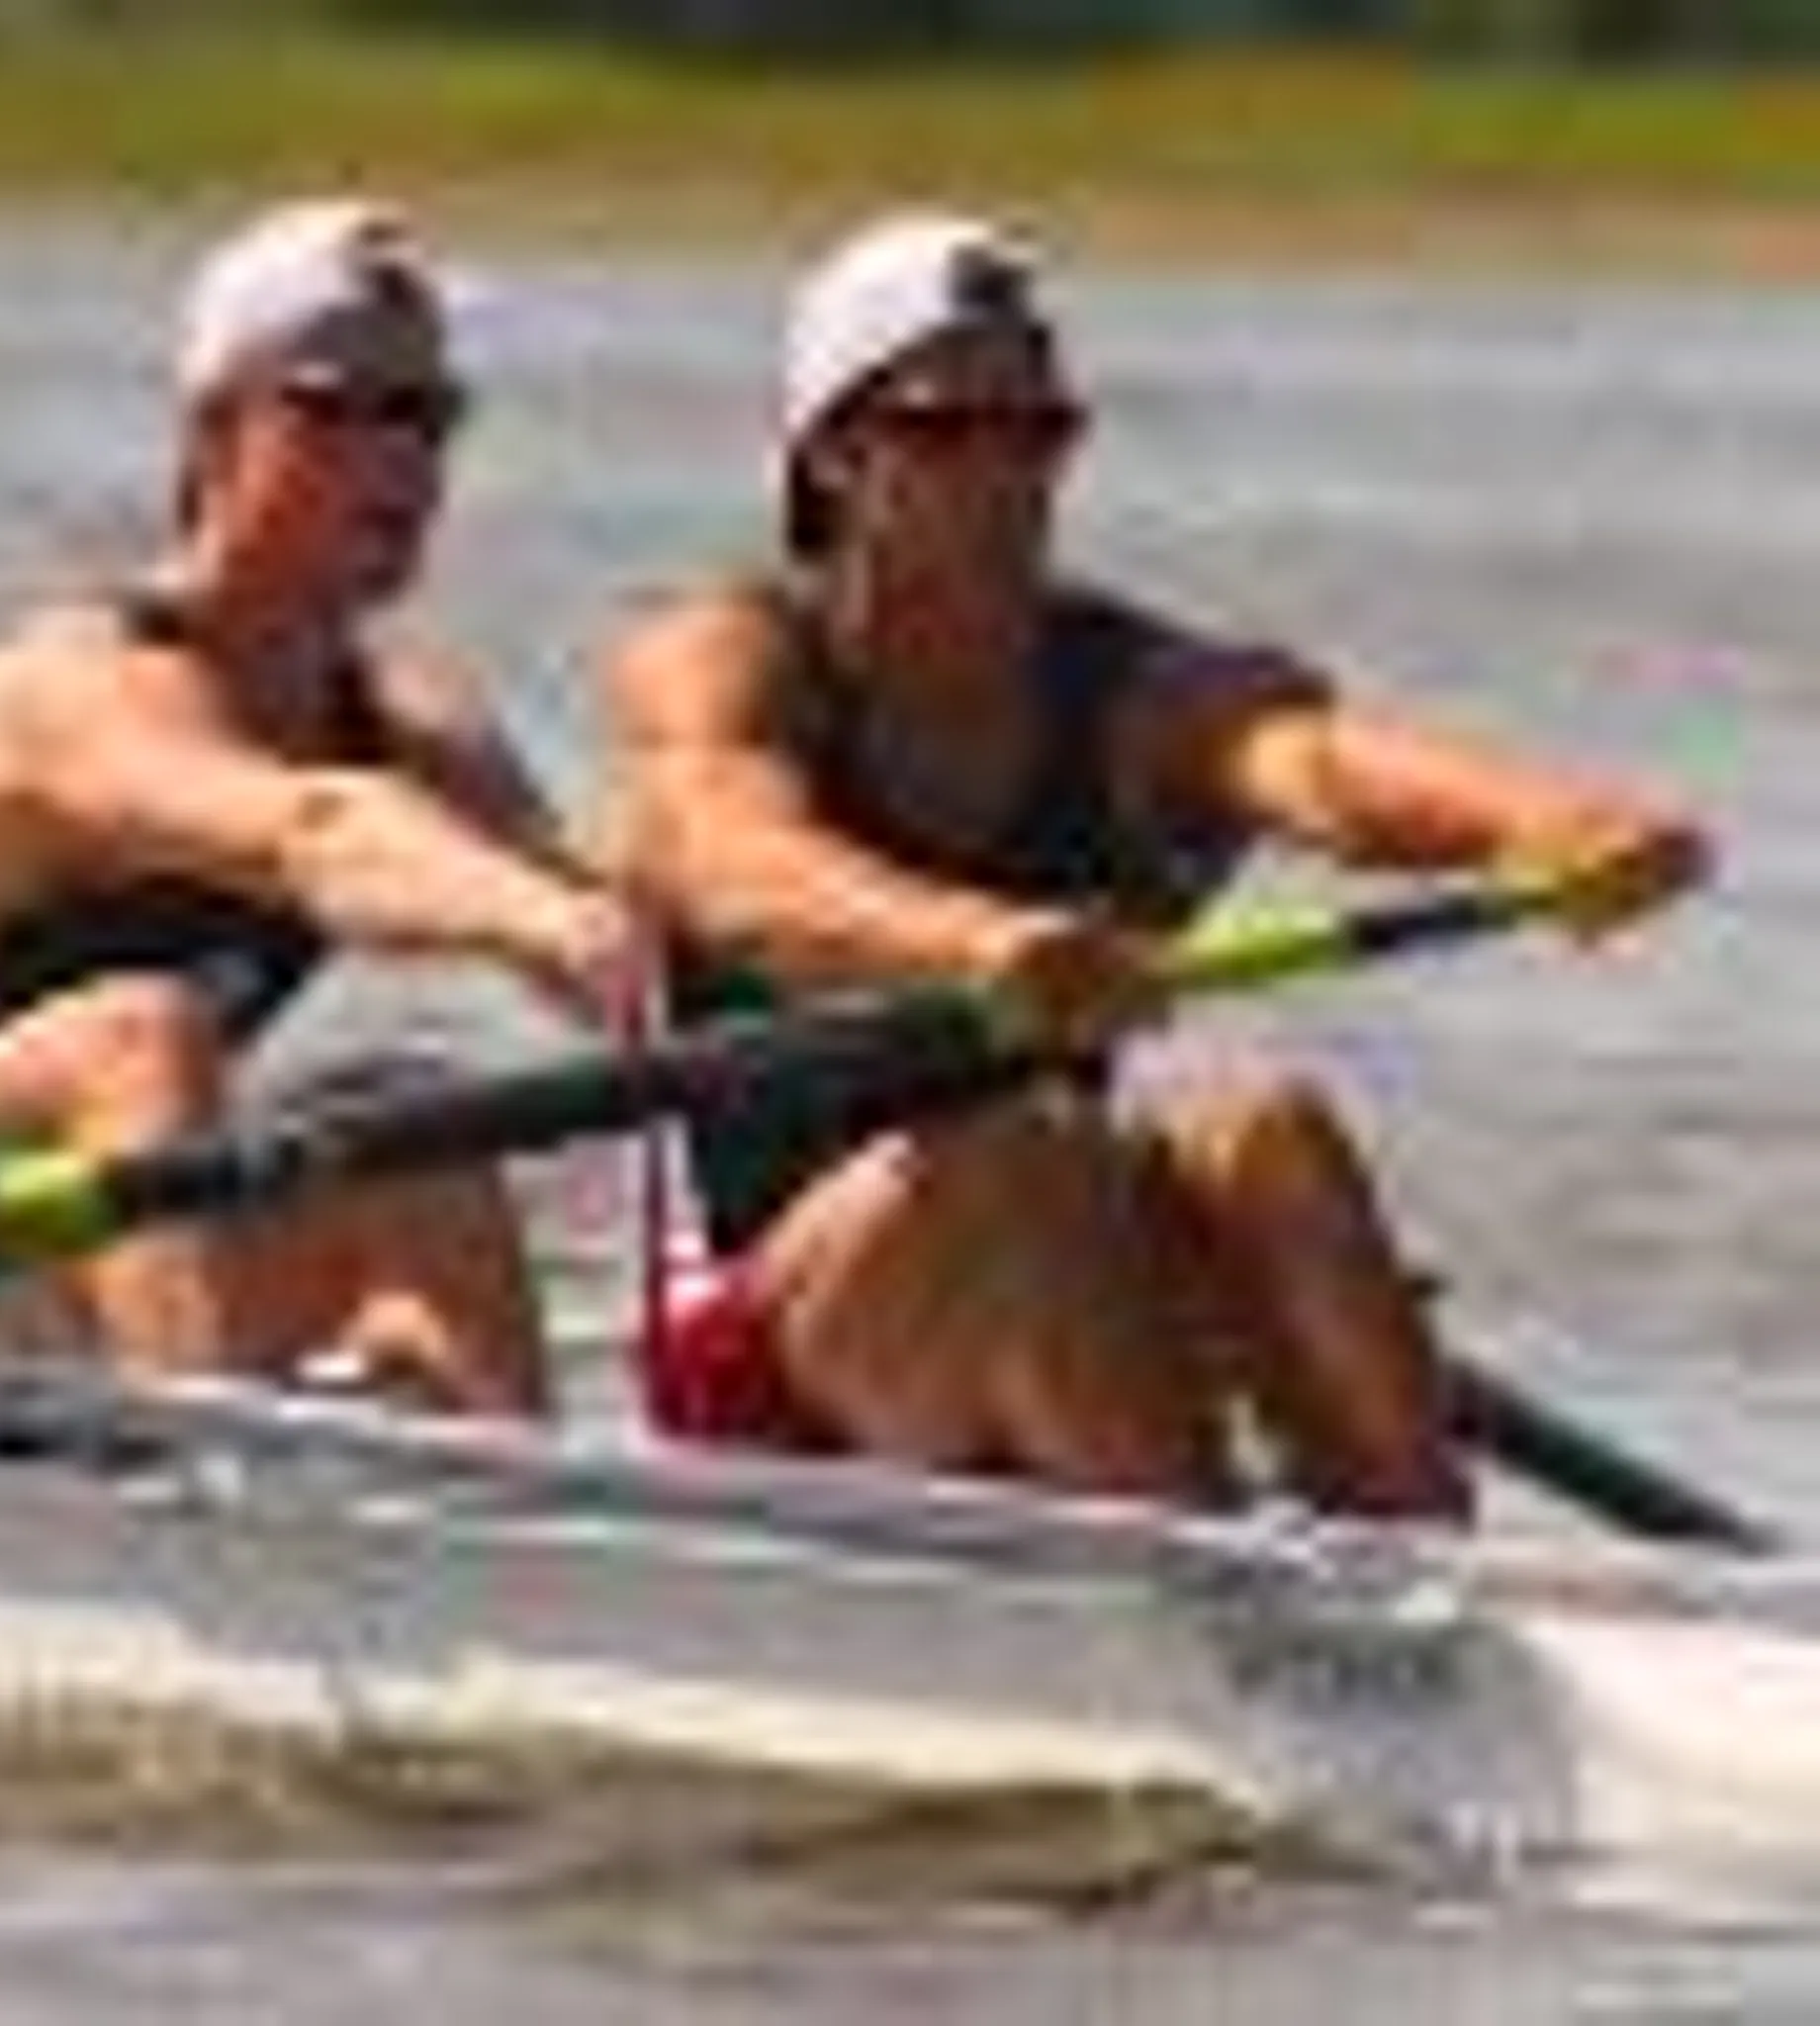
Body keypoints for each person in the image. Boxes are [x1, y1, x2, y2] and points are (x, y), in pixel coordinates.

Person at [606, 209, 1706, 1518]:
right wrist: (976, 944)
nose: (1009, 472)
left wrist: (1546, 823)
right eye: (949, 433)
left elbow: (1318, 768)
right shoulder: (732, 657)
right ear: (836, 455)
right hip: (769, 1358)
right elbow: (723, 858)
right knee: (1028, 1152)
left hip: (1048, 1293)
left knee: (1262, 1131)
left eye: (1042, 432)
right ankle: (1230, 1631)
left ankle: (1433, 1588)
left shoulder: (1138, 694)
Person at [0, 196, 632, 1420]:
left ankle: (549, 1578)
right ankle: (220, 1501)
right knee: (141, 1035)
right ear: (212, 433)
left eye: (427, 414)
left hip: (37, 1258)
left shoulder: (416, 726)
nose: (400, 456)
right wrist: (550, 923)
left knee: (412, 1122)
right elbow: (316, 832)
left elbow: (627, 965)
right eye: (339, 408)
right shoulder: (66, 696)